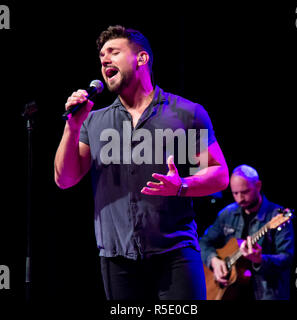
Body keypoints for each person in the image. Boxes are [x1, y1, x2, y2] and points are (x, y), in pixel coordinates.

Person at [54, 25, 229, 300]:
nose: (104, 60)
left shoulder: (184, 113)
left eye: (114, 51)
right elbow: (64, 179)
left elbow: (219, 174)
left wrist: (182, 185)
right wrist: (72, 127)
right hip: (116, 260)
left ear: (142, 58)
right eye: (101, 55)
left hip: (175, 256)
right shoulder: (94, 121)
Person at [199, 165, 294, 300]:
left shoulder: (276, 216)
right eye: (235, 193)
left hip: (266, 293)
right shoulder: (227, 213)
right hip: (231, 294)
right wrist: (214, 261)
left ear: (258, 186)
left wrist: (260, 259)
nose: (239, 198)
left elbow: (287, 258)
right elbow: (203, 242)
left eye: (245, 192)